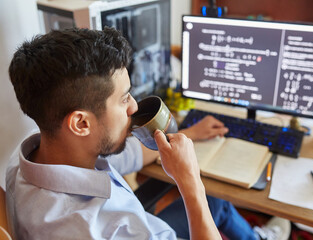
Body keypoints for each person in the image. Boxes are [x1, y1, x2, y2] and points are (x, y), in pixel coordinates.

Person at [6, 27, 290, 240]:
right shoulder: (106, 229)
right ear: (80, 123)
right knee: (211, 202)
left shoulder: (30, 157)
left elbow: (120, 156)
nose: (133, 106)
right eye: (124, 98)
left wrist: (187, 133)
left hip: (144, 221)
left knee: (217, 204)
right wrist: (191, 182)